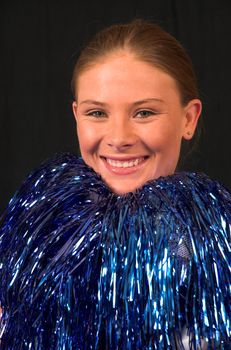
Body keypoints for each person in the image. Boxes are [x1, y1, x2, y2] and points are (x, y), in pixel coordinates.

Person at [0, 19, 230, 349]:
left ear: (188, 119)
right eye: (97, 113)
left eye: (144, 113)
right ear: (77, 115)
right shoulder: (39, 228)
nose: (119, 138)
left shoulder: (214, 240)